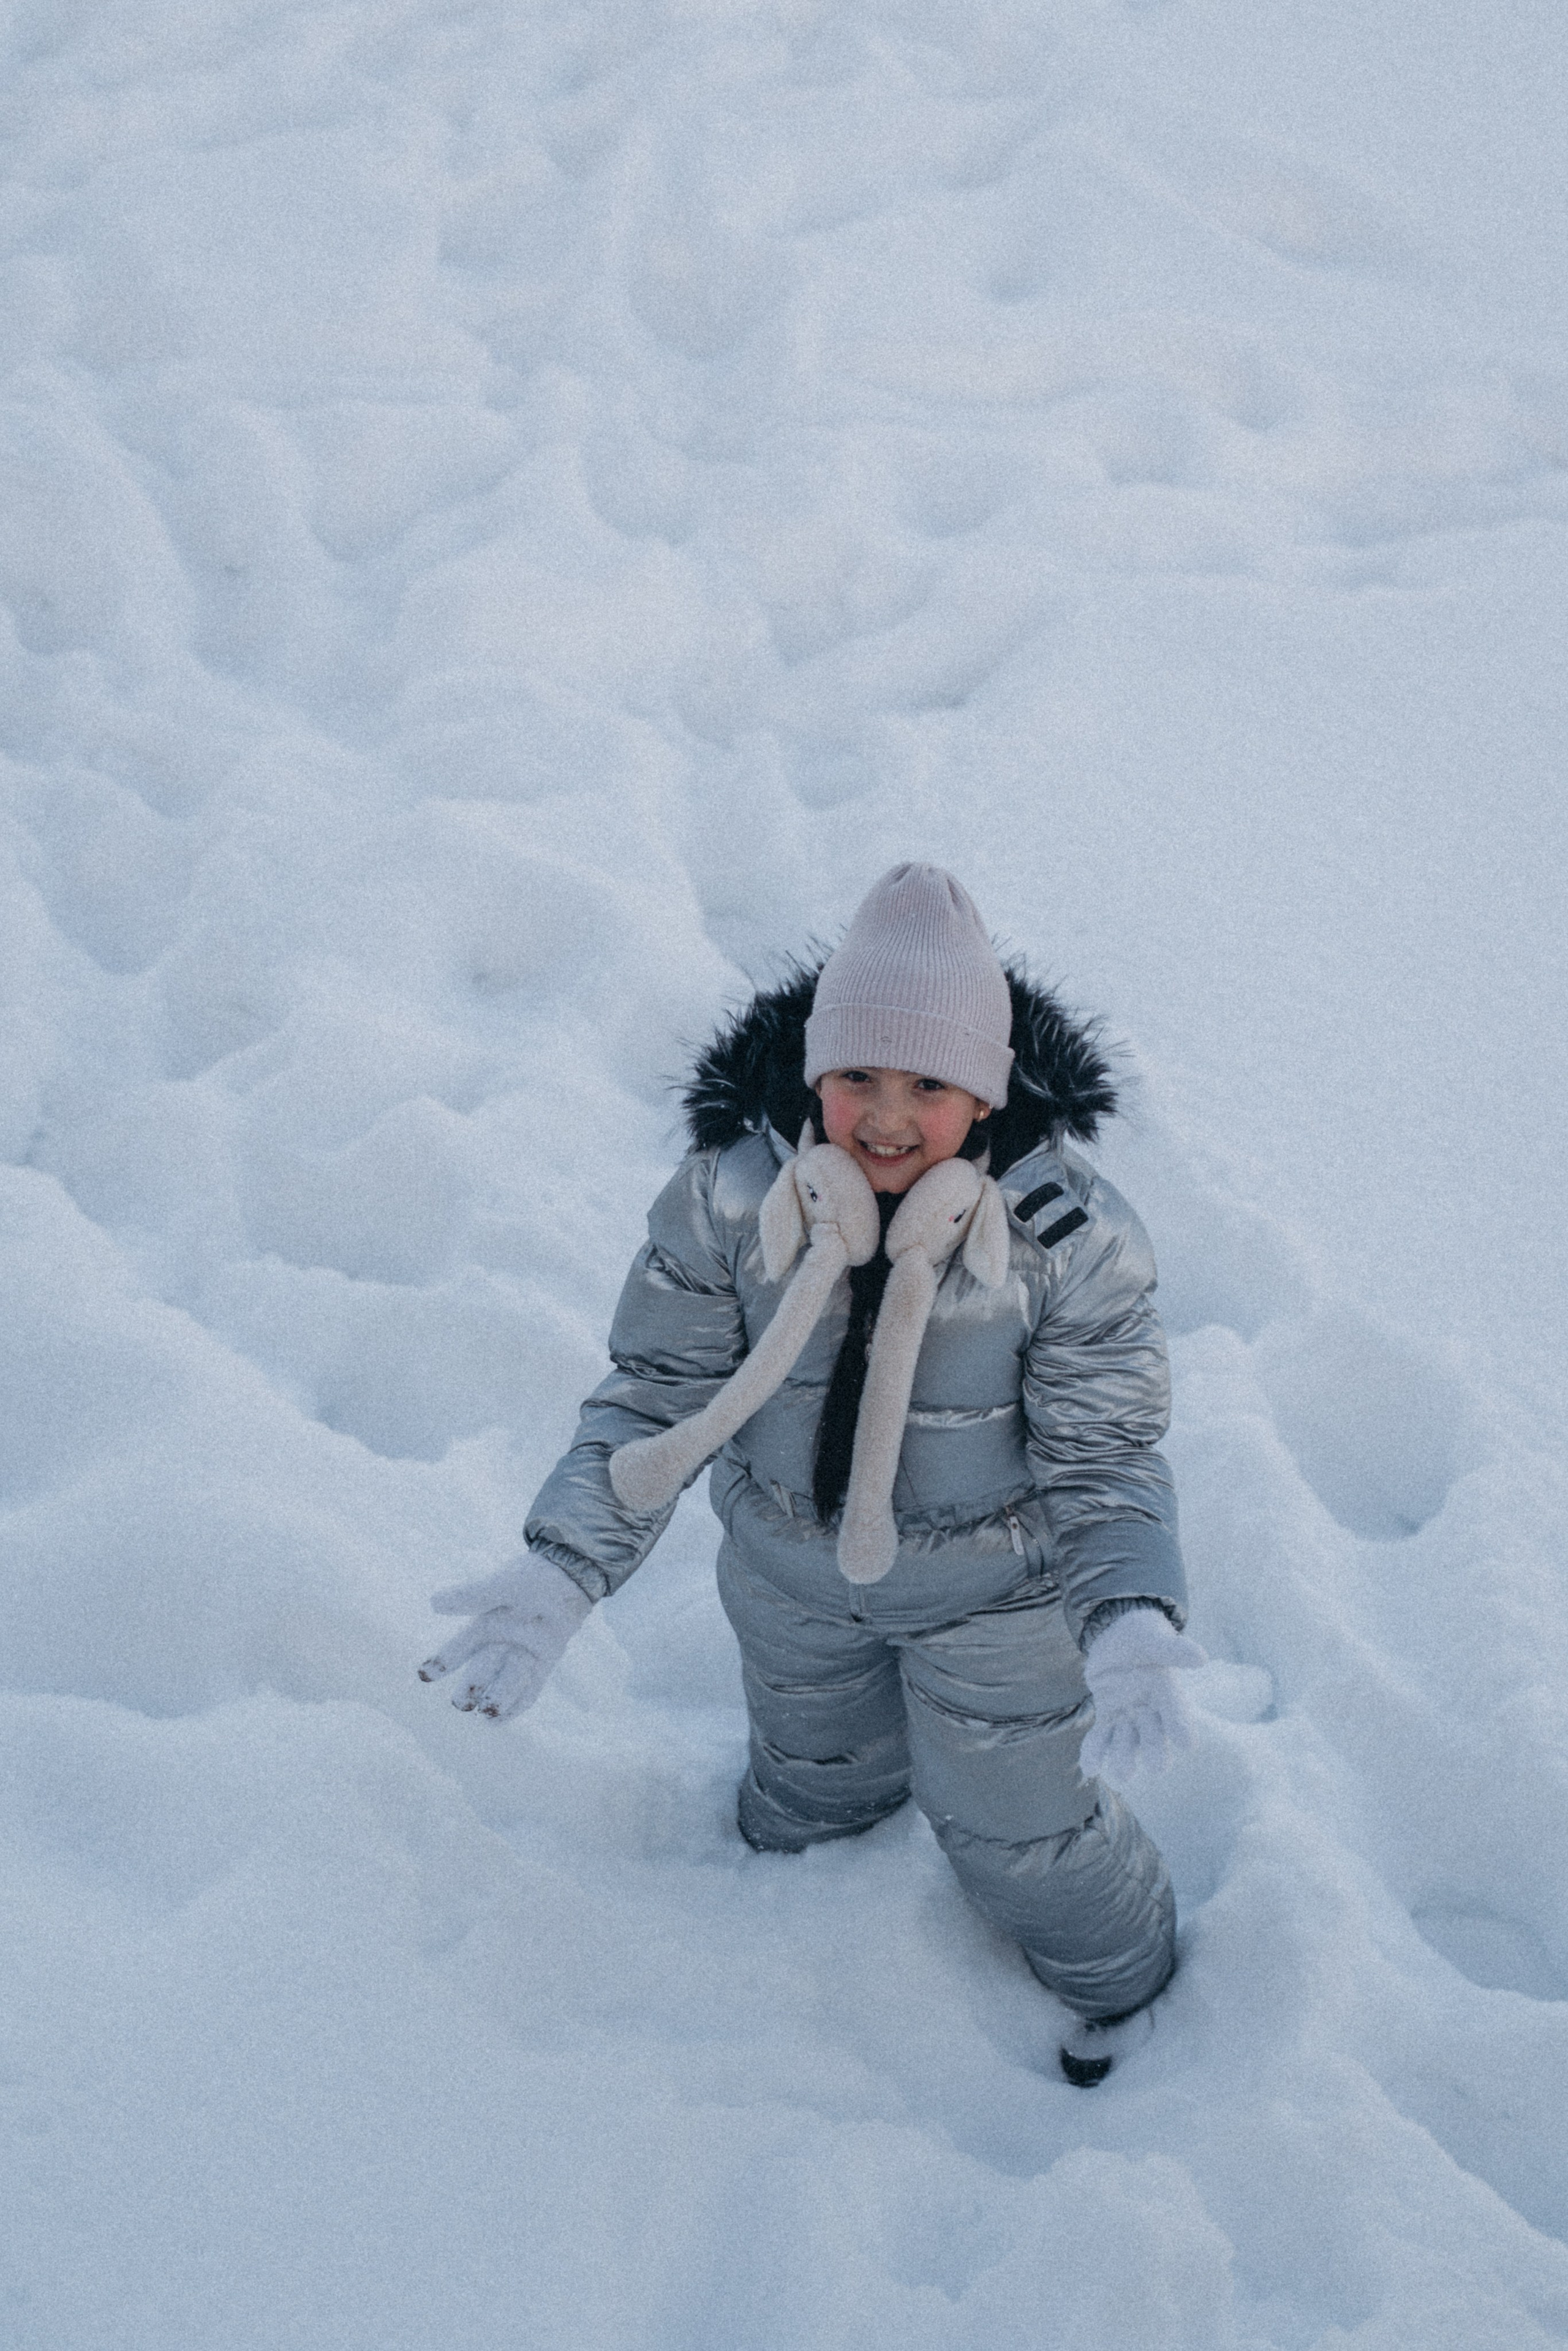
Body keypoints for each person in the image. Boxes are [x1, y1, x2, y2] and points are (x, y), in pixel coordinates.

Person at [421, 864, 1204, 2085]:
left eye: (928, 1086)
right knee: (805, 1791)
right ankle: (799, 1949)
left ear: (986, 1092)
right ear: (812, 1074)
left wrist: (1127, 1617)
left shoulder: (1064, 1241)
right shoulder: (734, 1200)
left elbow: (1103, 1451)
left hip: (996, 1599)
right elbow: (654, 1392)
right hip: (790, 1580)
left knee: (1022, 1833)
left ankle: (1128, 1990)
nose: (886, 1118)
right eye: (857, 1079)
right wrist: (563, 1568)